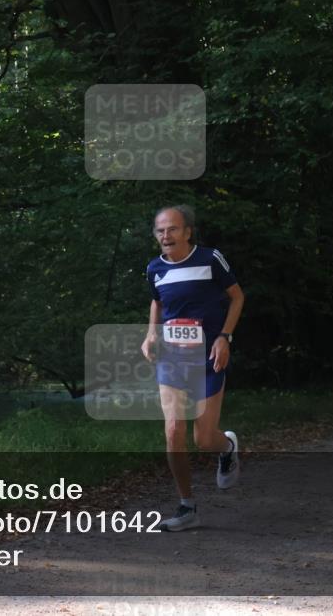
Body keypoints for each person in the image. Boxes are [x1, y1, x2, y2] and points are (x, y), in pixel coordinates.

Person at [141, 205, 245, 531]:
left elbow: (237, 297)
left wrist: (224, 337)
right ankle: (187, 507)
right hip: (173, 357)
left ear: (187, 232)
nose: (165, 236)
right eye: (160, 230)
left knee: (204, 440)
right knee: (173, 430)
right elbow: (157, 301)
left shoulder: (210, 258)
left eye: (172, 229)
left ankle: (226, 447)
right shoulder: (154, 268)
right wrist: (151, 334)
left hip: (208, 357)